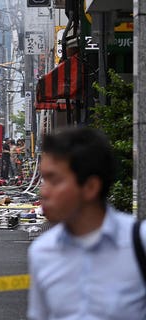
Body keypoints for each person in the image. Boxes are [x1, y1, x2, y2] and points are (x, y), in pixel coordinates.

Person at [28, 127, 146, 320]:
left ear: (90, 187)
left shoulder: (138, 243)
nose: (43, 192)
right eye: (44, 179)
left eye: (54, 181)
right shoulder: (42, 252)